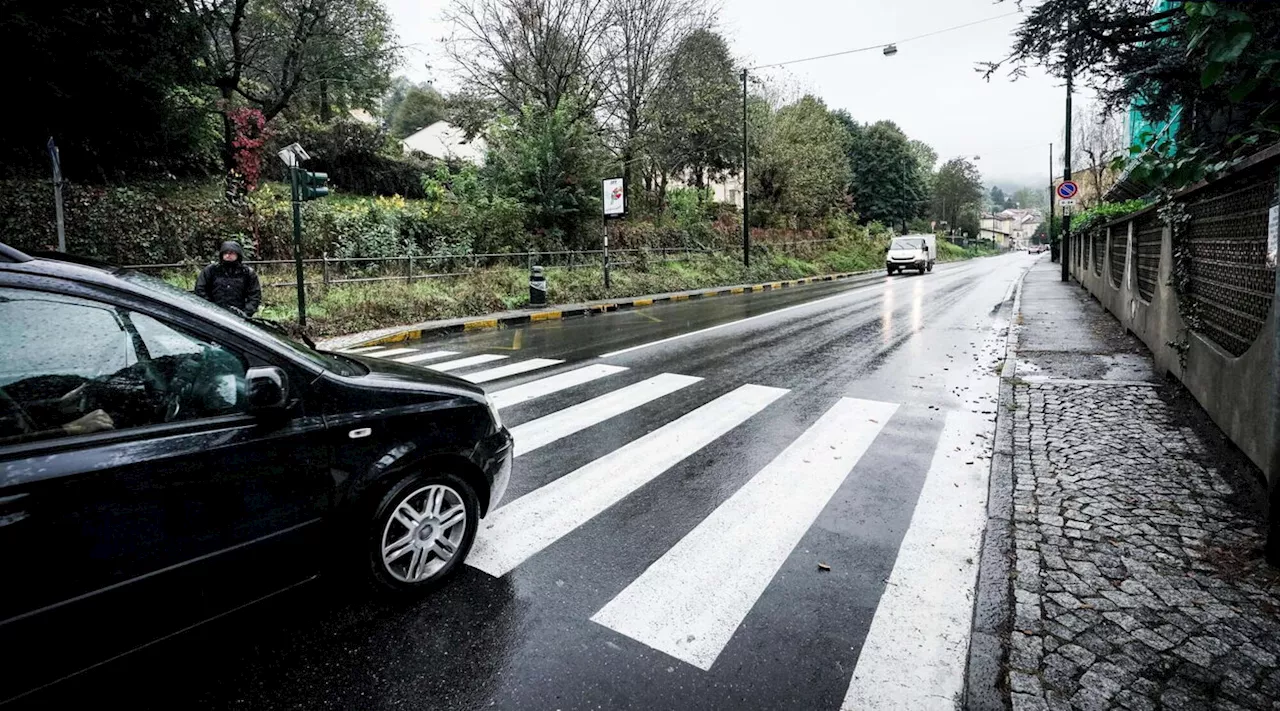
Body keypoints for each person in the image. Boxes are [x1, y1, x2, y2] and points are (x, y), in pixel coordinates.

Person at [195, 241, 261, 317]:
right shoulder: (211, 270)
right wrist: (209, 308)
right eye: (225, 253)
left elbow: (254, 295)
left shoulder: (247, 273)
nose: (228, 255)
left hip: (239, 313)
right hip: (213, 313)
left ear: (238, 254)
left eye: (231, 253)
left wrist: (246, 313)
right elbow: (200, 290)